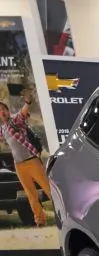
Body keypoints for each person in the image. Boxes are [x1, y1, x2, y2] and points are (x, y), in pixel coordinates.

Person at [0, 88, 50, 227]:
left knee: (48, 188)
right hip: (19, 165)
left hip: (31, 161)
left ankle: (63, 212)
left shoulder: (16, 119)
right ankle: (39, 220)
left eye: (3, 108)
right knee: (30, 194)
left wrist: (27, 100)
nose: (2, 111)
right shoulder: (2, 129)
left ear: (7, 111)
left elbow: (23, 112)